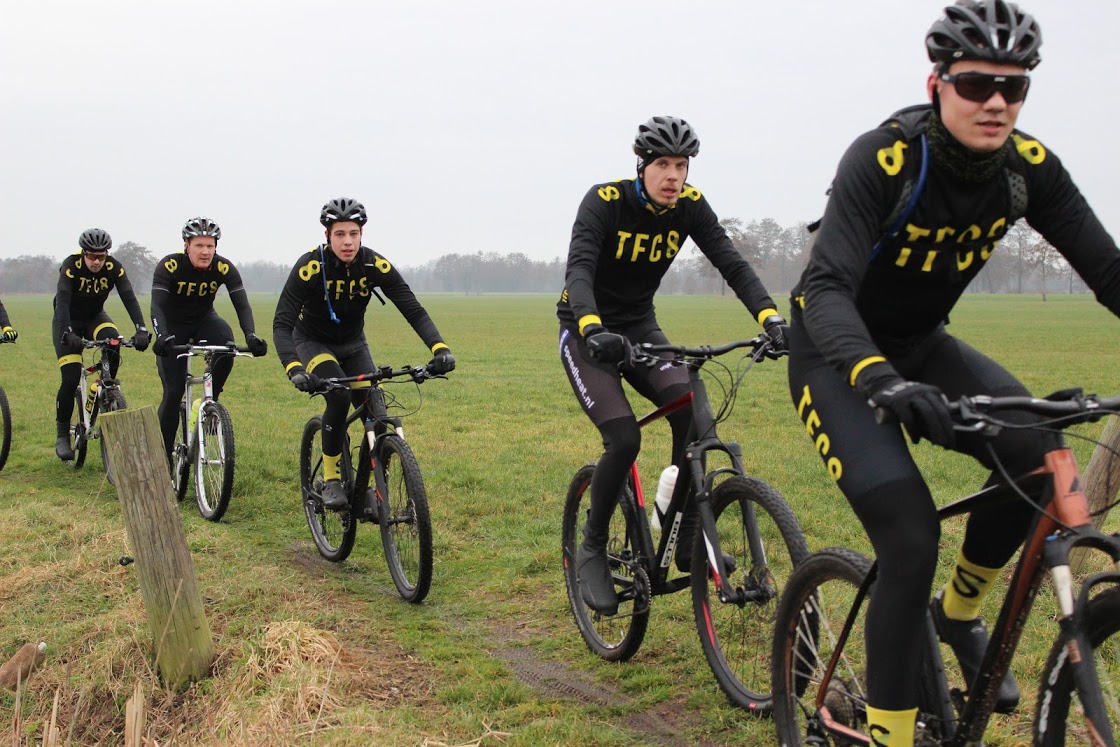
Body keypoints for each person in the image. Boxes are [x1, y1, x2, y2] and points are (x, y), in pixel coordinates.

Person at [787, 2, 1120, 744]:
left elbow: (1108, 270)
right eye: (976, 84)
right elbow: (825, 289)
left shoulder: (1028, 169)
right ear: (936, 82)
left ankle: (958, 612)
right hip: (836, 356)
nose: (997, 102)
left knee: (1038, 454)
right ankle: (891, 734)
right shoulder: (886, 158)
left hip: (921, 343)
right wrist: (878, 377)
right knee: (908, 535)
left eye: (1016, 87)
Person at [557, 115, 789, 616]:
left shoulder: (690, 207)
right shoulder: (605, 202)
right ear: (641, 166)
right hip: (586, 331)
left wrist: (771, 318)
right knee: (624, 438)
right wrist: (594, 328)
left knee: (692, 415)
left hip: (641, 327)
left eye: (681, 165)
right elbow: (579, 268)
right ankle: (593, 548)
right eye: (663, 164)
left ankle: (683, 538)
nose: (673, 176)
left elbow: (731, 262)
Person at [273, 197, 456, 510]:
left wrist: (439, 348)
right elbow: (281, 323)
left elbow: (411, 307)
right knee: (340, 395)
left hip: (353, 343)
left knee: (378, 411)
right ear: (328, 236)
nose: (348, 241)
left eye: (354, 234)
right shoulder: (309, 267)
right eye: (340, 234)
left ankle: (369, 488)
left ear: (362, 235)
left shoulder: (373, 265)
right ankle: (331, 478)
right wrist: (294, 368)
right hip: (312, 342)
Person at [150, 217, 268, 465]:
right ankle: (164, 458)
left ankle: (208, 404)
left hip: (204, 320)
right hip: (173, 326)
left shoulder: (224, 268)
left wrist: (251, 335)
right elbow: (157, 306)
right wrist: (161, 335)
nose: (205, 252)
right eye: (199, 245)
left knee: (227, 345)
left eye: (210, 246)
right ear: (186, 245)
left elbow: (241, 304)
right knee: (173, 393)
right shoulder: (169, 266)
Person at [52, 228, 150, 461]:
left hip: (95, 317)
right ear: (84, 253)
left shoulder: (114, 267)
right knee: (70, 377)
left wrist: (141, 329)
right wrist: (67, 332)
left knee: (113, 340)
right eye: (92, 256)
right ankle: (62, 435)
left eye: (101, 256)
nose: (96, 261)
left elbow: (129, 297)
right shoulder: (71, 265)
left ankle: (104, 386)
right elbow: (63, 300)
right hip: (67, 321)